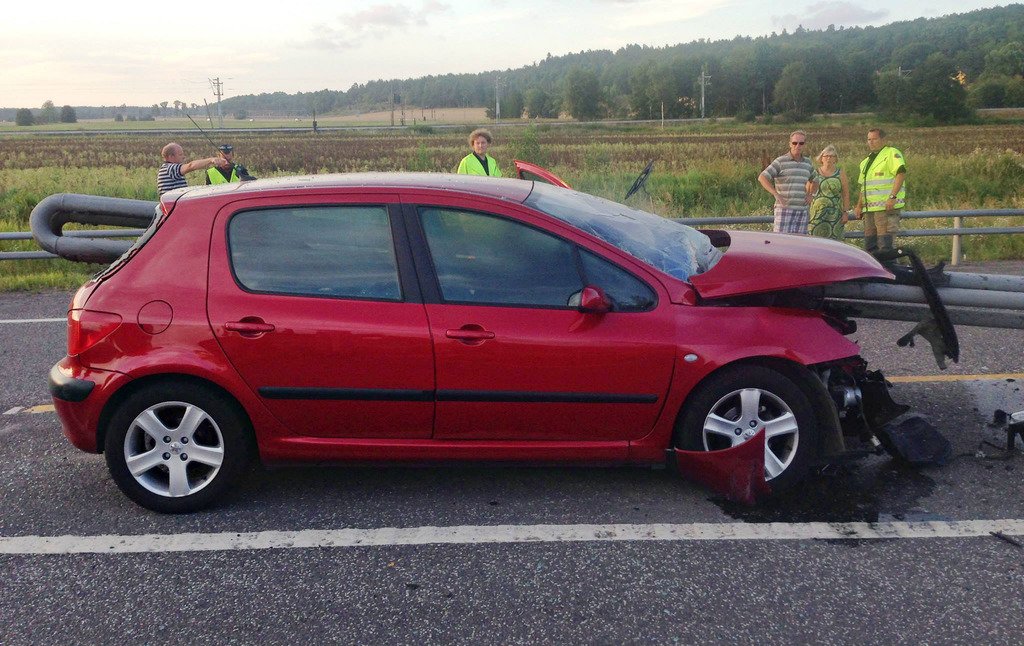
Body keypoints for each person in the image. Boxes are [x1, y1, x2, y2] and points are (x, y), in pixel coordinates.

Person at [854, 128, 906, 255]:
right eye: (869, 139)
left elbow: (901, 173)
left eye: (874, 139)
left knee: (885, 245)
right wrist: (859, 205)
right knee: (870, 246)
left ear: (883, 139)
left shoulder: (891, 154)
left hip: (885, 208)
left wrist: (892, 197)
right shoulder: (866, 161)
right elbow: (864, 186)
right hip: (869, 210)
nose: (871, 142)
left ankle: (890, 271)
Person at [758, 131, 813, 234]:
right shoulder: (780, 161)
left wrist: (811, 194)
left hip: (802, 211)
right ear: (790, 144)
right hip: (784, 210)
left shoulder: (808, 163)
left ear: (805, 145)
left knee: (800, 244)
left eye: (801, 143)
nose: (798, 146)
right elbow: (762, 177)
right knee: (781, 244)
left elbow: (815, 179)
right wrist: (776, 194)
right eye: (794, 143)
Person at [806, 144, 851, 240]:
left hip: (835, 215)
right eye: (826, 156)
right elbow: (807, 192)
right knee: (815, 240)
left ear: (835, 159)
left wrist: (845, 212)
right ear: (821, 158)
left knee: (835, 242)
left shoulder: (840, 174)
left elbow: (846, 194)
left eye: (832, 156)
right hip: (816, 214)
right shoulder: (814, 173)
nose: (828, 159)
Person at [157, 142, 228, 196]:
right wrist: (211, 160)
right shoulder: (170, 169)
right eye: (180, 154)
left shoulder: (168, 169)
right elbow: (191, 166)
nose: (183, 157)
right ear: (171, 157)